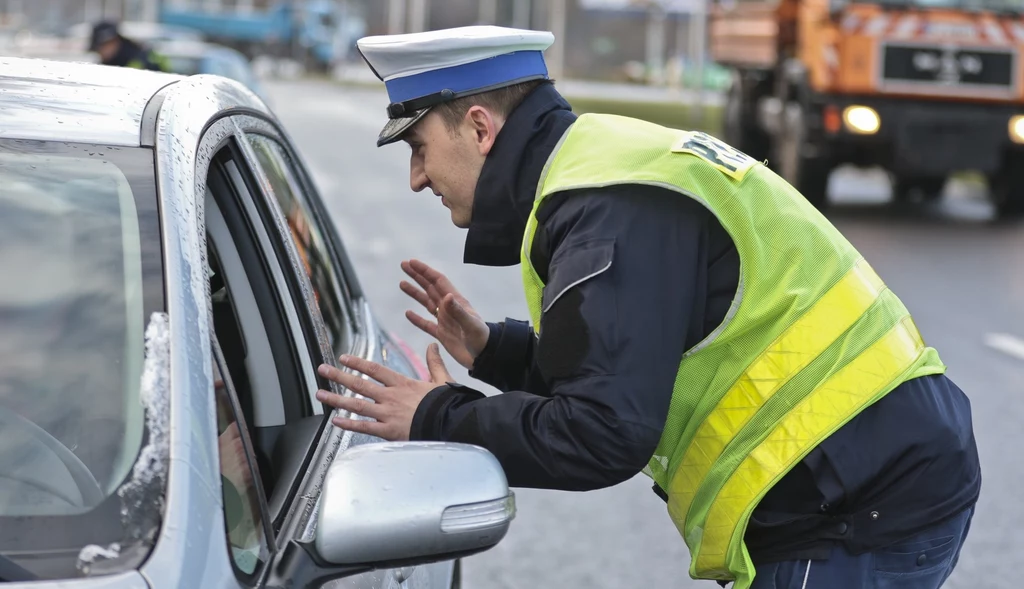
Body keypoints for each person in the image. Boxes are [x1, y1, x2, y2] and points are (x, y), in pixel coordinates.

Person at [314, 25, 981, 589]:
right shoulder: (595, 166)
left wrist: (437, 415)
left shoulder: (605, 207)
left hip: (860, 501)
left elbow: (605, 432)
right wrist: (497, 349)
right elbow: (624, 361)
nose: (417, 176)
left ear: (481, 129)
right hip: (864, 471)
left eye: (418, 147)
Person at [88, 21, 171, 72]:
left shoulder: (141, 60)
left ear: (114, 42)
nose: (100, 51)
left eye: (103, 46)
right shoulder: (106, 64)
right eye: (97, 48)